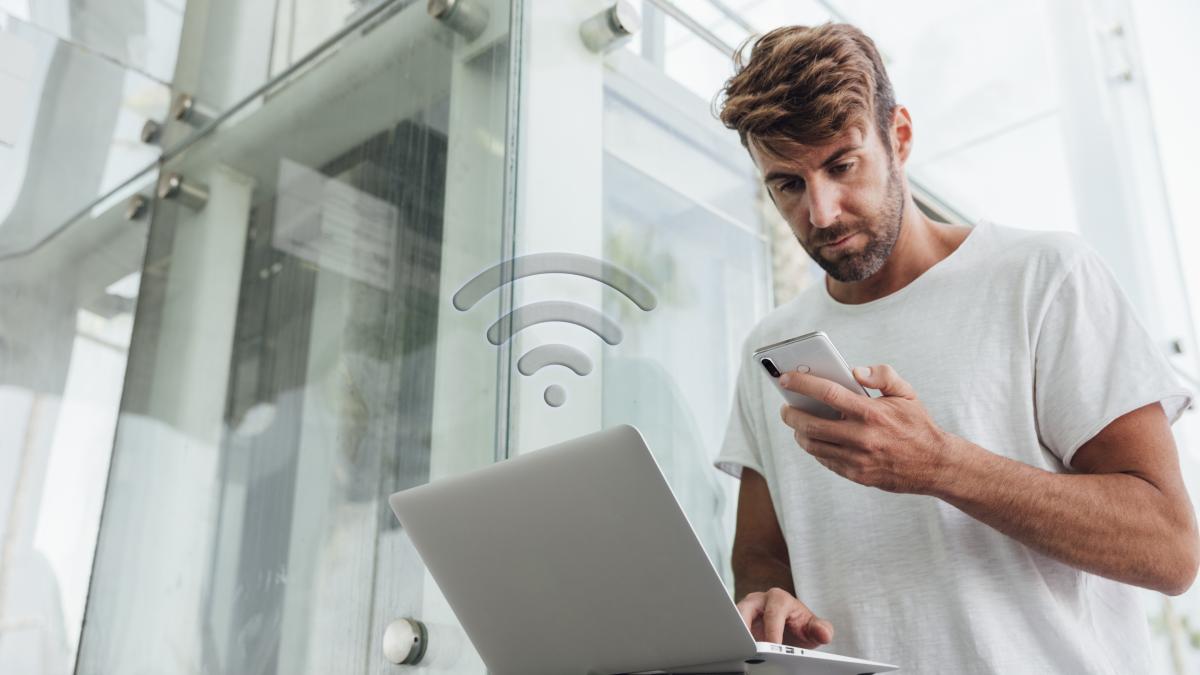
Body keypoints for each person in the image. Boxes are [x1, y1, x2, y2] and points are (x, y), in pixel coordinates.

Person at [713, 22, 1199, 674]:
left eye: (841, 166)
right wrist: (767, 598)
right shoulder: (769, 347)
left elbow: (1170, 548)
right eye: (788, 184)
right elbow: (762, 555)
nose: (821, 212)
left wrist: (940, 464)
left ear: (900, 137)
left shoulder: (1043, 277)